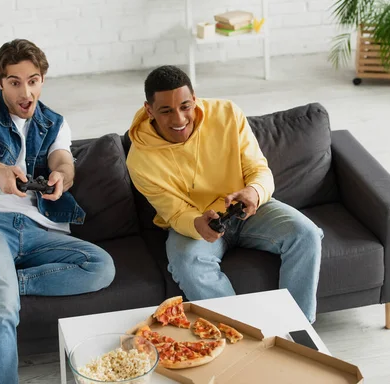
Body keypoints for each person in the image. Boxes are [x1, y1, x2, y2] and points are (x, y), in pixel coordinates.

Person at [0, 39, 115, 384]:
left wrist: (62, 174)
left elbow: (62, 159)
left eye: (32, 80)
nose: (25, 91)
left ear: (42, 80)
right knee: (1, 309)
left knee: (100, 266)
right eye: (14, 82)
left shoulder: (54, 122)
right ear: (0, 82)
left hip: (36, 228)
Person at [126, 65, 323, 324]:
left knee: (306, 234)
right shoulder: (139, 160)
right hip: (195, 222)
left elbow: (258, 169)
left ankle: (297, 328)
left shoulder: (228, 113)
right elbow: (175, 212)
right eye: (166, 110)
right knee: (187, 263)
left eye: (185, 106)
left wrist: (254, 191)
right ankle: (239, 334)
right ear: (149, 109)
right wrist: (196, 223)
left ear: (194, 99)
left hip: (249, 210)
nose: (179, 119)